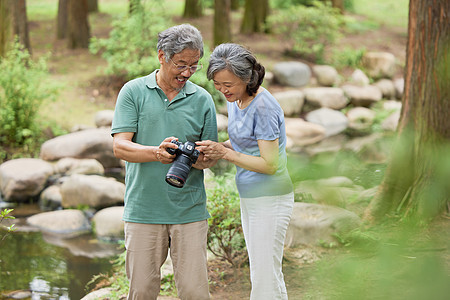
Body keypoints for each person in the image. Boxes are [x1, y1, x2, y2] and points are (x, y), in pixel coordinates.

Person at [111, 24, 218, 300]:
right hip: (144, 210)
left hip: (190, 212)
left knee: (195, 292)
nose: (186, 72)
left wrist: (201, 159)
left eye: (194, 66)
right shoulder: (133, 91)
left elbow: (208, 159)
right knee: (142, 291)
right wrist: (155, 153)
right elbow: (120, 146)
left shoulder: (203, 100)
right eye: (180, 64)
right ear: (162, 56)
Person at [196, 43, 294, 300]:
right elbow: (245, 144)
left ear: (247, 77)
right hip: (251, 196)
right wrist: (218, 147)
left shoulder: (263, 107)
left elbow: (271, 164)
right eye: (217, 84)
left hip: (271, 198)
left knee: (264, 277)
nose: (222, 90)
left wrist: (225, 154)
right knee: (266, 274)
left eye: (228, 84)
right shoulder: (236, 99)